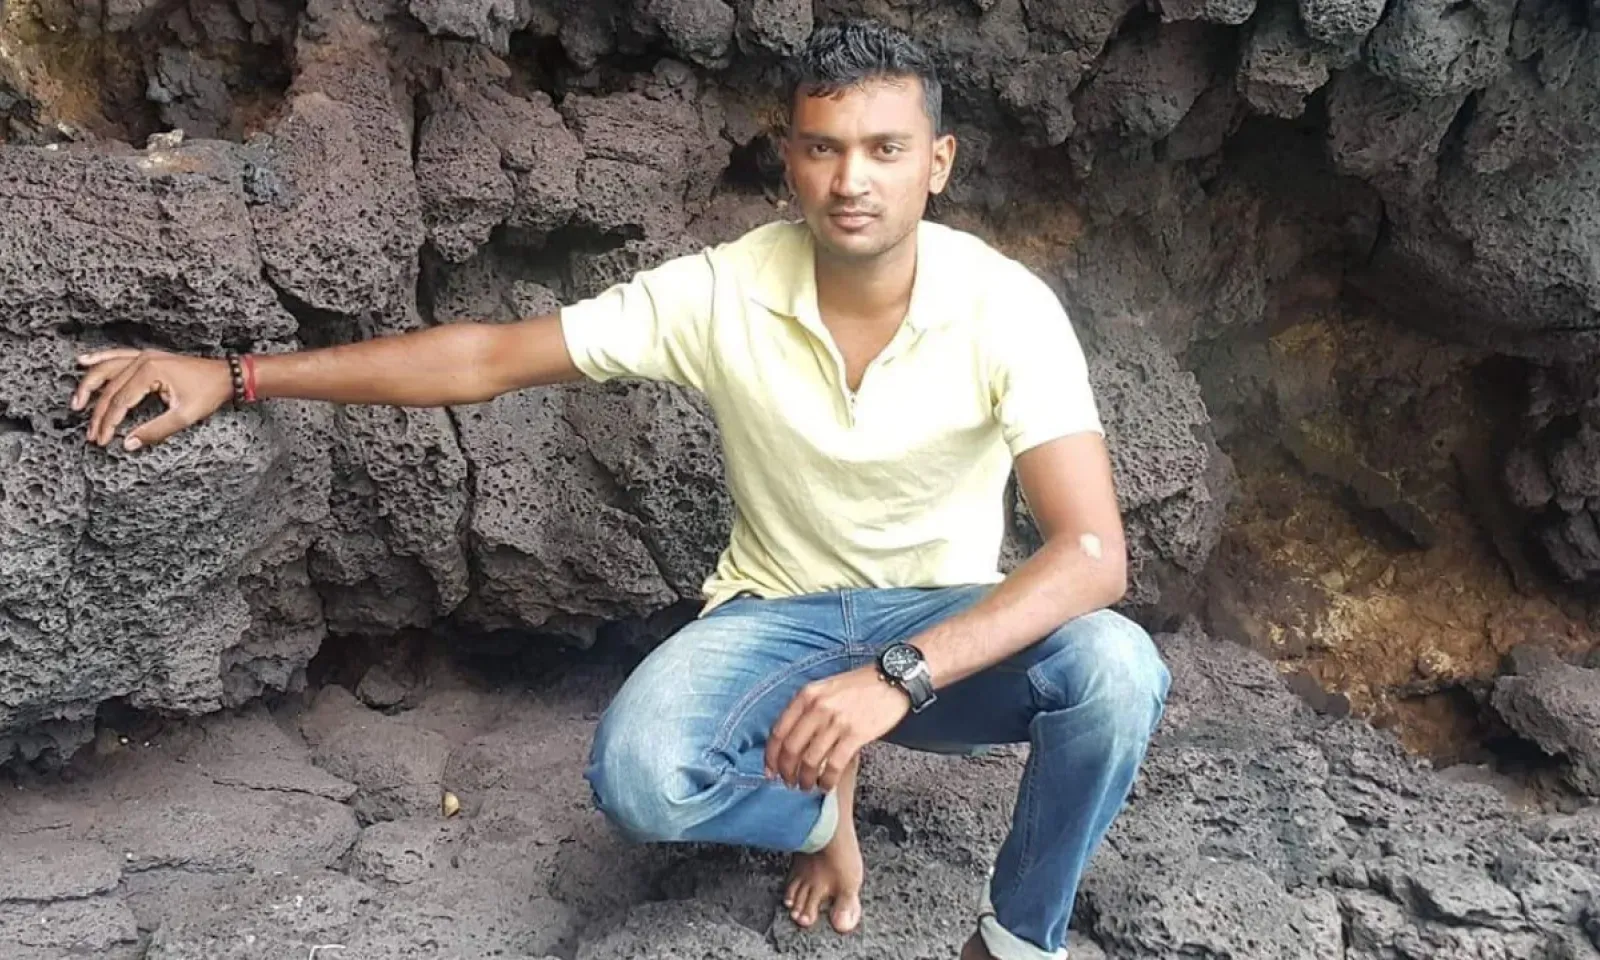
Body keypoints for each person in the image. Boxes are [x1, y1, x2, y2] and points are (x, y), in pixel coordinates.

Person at [70, 18, 1169, 960]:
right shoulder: (724, 291)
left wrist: (896, 676)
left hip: (935, 629)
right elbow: (486, 358)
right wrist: (238, 375)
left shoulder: (1005, 307)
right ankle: (812, 810)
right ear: (788, 159)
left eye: (886, 149)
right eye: (825, 148)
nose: (852, 181)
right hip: (776, 620)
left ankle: (1015, 940)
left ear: (938, 162)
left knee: (1116, 671)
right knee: (644, 778)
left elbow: (1090, 554)